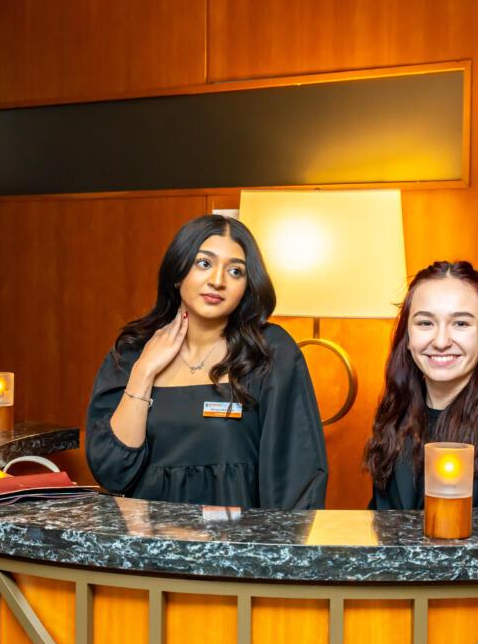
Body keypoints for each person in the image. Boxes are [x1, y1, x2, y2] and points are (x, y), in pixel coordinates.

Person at [86, 214, 328, 509]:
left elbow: (298, 478)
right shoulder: (131, 354)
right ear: (178, 272)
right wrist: (145, 371)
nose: (217, 281)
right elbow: (113, 472)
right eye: (204, 263)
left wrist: (272, 540)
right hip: (148, 536)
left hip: (238, 537)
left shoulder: (269, 352)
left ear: (247, 286)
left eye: (235, 271)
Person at [364, 260, 478, 510]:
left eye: (461, 323)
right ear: (407, 338)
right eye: (425, 323)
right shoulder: (396, 413)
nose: (441, 341)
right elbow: (380, 522)